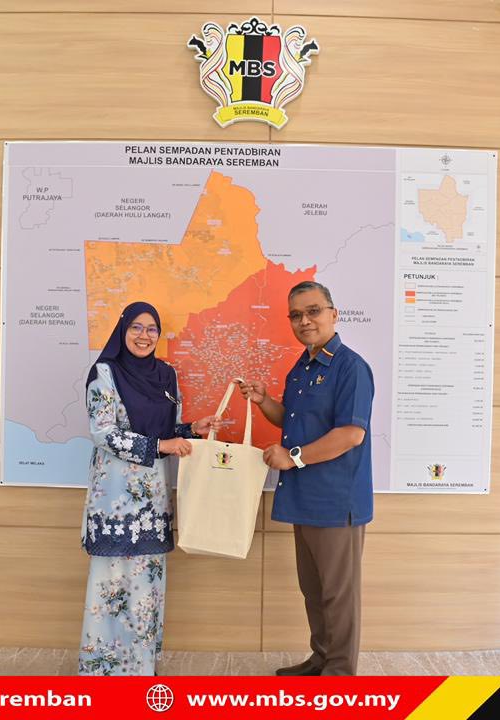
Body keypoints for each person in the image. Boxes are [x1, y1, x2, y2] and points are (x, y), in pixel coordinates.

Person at [239, 281, 374, 676]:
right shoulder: (301, 367)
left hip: (336, 501)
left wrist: (293, 457)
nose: (305, 321)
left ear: (334, 314)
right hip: (304, 498)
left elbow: (351, 434)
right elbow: (294, 421)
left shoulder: (351, 367)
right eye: (296, 315)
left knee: (338, 595)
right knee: (314, 590)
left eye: (313, 311)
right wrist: (265, 401)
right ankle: (321, 659)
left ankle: (340, 673)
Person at [78, 301, 218, 676]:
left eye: (151, 328)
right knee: (111, 586)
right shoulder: (105, 373)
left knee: (146, 588)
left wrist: (192, 430)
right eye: (136, 327)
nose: (144, 335)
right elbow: (103, 432)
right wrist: (161, 445)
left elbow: (166, 432)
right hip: (114, 498)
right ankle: (103, 674)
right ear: (123, 331)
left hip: (152, 500)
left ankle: (140, 670)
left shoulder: (166, 375)